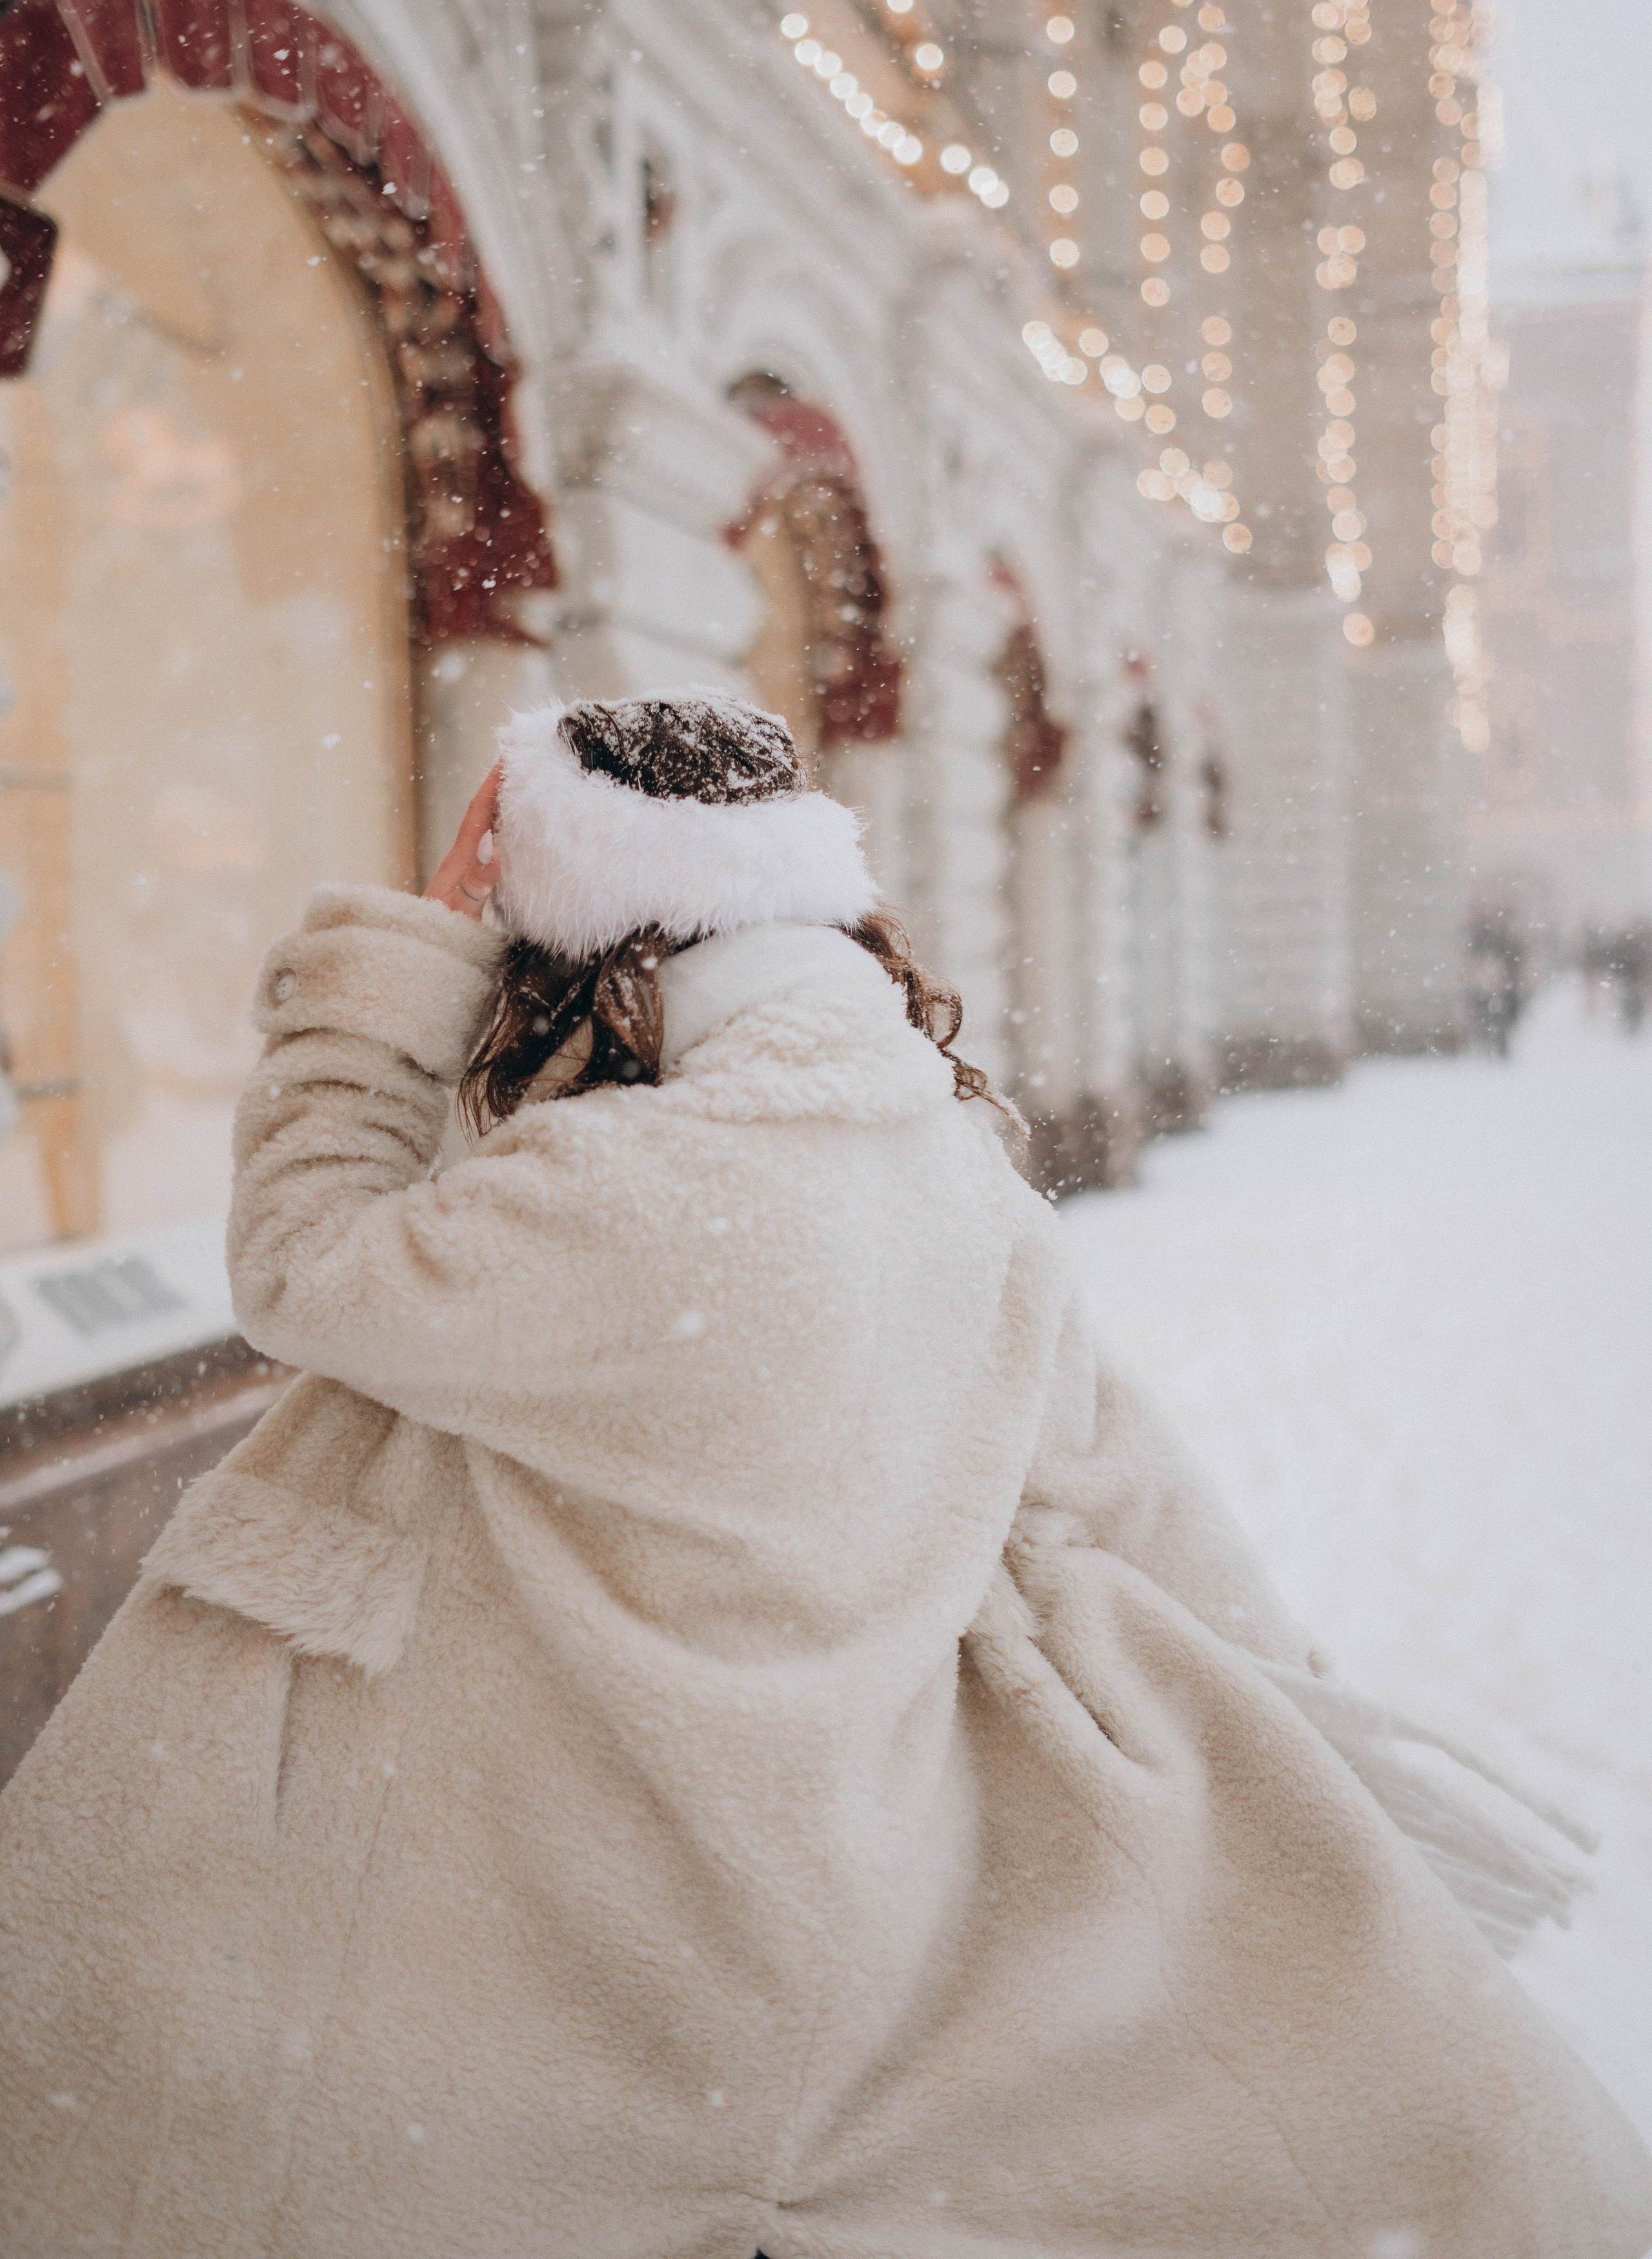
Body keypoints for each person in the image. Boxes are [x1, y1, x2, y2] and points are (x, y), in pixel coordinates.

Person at [2, 691, 1649, 2259]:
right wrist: (1302, 1747)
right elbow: (1113, 1485)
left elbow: (303, 1262)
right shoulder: (947, 1169)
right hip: (854, 1879)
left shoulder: (622, 1189)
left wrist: (404, 961)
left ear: (591, 954)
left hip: (552, 1905)